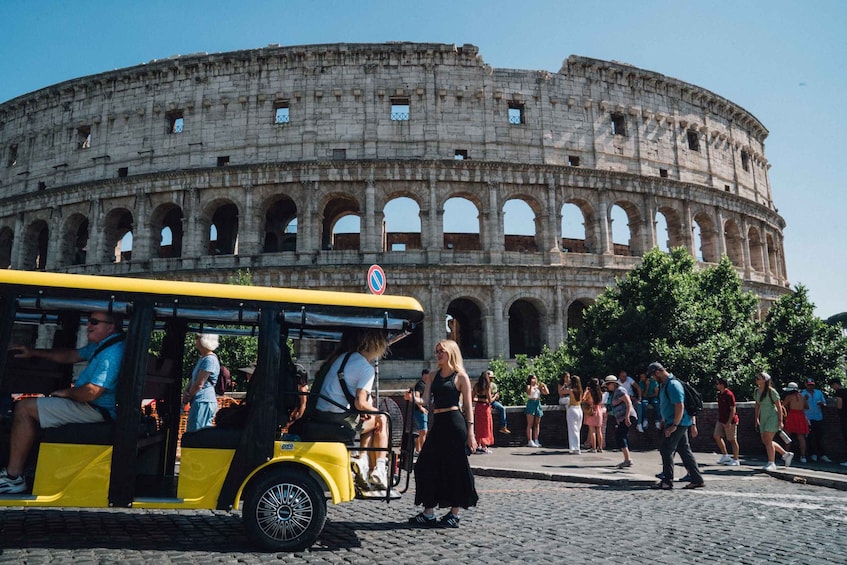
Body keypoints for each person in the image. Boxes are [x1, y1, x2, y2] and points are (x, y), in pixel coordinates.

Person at [0, 312, 125, 494]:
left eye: (94, 322)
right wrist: (34, 352)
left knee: (24, 408)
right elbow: (70, 355)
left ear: (111, 326)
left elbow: (92, 392)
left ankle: (13, 477)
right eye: (88, 321)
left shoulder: (112, 353)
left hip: (96, 408)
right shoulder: (104, 345)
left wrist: (67, 393)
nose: (88, 326)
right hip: (94, 406)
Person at [409, 339, 478, 528]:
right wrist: (413, 398)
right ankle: (428, 512)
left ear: (451, 352)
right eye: (437, 351)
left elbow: (469, 407)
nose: (438, 354)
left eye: (442, 351)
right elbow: (425, 400)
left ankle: (454, 513)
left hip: (455, 423)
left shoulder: (460, 376)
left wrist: (471, 433)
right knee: (424, 465)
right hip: (438, 423)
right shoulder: (432, 375)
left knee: (456, 467)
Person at [313, 328, 390, 490]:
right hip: (336, 417)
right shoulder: (366, 368)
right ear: (377, 346)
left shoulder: (341, 357)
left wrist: (367, 411)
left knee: (369, 417)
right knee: (381, 418)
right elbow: (360, 403)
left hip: (321, 412)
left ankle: (363, 459)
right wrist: (377, 412)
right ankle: (380, 468)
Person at [649, 362, 704, 489]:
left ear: (657, 372)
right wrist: (664, 419)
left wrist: (674, 425)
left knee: (666, 449)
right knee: (684, 451)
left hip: (677, 423)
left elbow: (679, 405)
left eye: (652, 375)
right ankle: (697, 479)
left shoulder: (673, 385)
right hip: (676, 422)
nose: (652, 378)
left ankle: (667, 481)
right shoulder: (665, 384)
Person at [181, 333, 221, 432]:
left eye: (197, 337)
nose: (195, 340)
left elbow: (199, 383)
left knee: (197, 433)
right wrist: (186, 391)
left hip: (204, 401)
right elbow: (194, 380)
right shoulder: (203, 358)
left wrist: (188, 396)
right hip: (199, 401)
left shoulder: (210, 359)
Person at [754, 371, 793, 471]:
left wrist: (780, 420)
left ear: (765, 380)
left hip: (772, 416)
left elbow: (779, 406)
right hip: (764, 417)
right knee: (766, 441)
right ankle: (785, 454)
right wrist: (756, 418)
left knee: (767, 440)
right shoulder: (757, 391)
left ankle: (771, 462)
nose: (757, 379)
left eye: (759, 378)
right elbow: (757, 405)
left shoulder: (772, 391)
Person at [605, 375, 635, 469]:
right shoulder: (615, 392)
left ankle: (627, 459)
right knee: (620, 436)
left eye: (608, 384)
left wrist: (627, 417)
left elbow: (628, 402)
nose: (607, 386)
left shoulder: (620, 390)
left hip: (627, 417)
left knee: (620, 436)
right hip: (622, 418)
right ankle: (627, 458)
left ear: (614, 384)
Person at [801, 378, 831, 463]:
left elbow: (824, 404)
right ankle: (812, 454)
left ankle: (822, 454)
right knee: (810, 437)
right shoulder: (802, 394)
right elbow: (799, 406)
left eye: (812, 385)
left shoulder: (819, 392)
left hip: (818, 417)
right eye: (809, 385)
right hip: (808, 418)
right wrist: (804, 400)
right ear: (806, 385)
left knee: (819, 436)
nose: (811, 386)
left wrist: (822, 404)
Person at [713, 378, 741, 466]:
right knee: (716, 436)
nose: (716, 385)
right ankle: (725, 455)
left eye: (717, 383)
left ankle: (736, 459)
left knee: (732, 439)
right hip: (721, 420)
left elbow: (733, 409)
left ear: (722, 384)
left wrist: (729, 422)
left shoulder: (729, 394)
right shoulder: (719, 395)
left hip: (730, 421)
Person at [782, 382, 809, 462]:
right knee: (801, 437)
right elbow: (807, 407)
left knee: (787, 436)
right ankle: (803, 457)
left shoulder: (789, 397)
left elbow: (782, 405)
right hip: (801, 416)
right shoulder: (803, 397)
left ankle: (786, 454)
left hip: (792, 415)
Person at [472, 371, 494, 453]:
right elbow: (490, 400)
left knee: (478, 426)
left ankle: (479, 444)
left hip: (478, 407)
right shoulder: (487, 387)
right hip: (485, 408)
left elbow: (472, 398)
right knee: (485, 427)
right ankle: (484, 446)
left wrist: (479, 399)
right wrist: (495, 396)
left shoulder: (476, 386)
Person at [524, 374, 549, 447]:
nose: (535, 380)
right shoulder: (529, 386)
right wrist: (531, 385)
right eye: (533, 378)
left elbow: (547, 393)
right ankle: (530, 440)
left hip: (538, 403)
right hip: (531, 402)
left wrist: (544, 386)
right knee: (530, 424)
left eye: (535, 378)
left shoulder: (538, 387)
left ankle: (536, 439)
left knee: (537, 424)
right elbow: (528, 393)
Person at [582, 377, 604, 453]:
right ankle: (600, 447)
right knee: (599, 430)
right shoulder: (600, 392)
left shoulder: (589, 392)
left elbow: (583, 399)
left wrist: (585, 391)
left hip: (592, 411)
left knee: (592, 430)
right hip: (599, 411)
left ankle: (594, 448)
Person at [828, 378, 847, 466]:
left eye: (832, 386)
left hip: (844, 417)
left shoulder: (839, 392)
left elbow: (839, 406)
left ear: (835, 384)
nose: (833, 388)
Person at [411, 369, 430, 453]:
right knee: (423, 431)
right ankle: (423, 451)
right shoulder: (421, 385)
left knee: (420, 431)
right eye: (427, 375)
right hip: (420, 410)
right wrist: (421, 407)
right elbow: (417, 396)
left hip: (421, 410)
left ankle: (418, 449)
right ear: (424, 375)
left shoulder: (424, 384)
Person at [565, 375, 583, 454]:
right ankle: (576, 447)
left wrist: (566, 385)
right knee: (577, 429)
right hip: (579, 409)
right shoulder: (580, 391)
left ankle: (575, 448)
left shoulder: (571, 390)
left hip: (572, 409)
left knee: (572, 429)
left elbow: (561, 391)